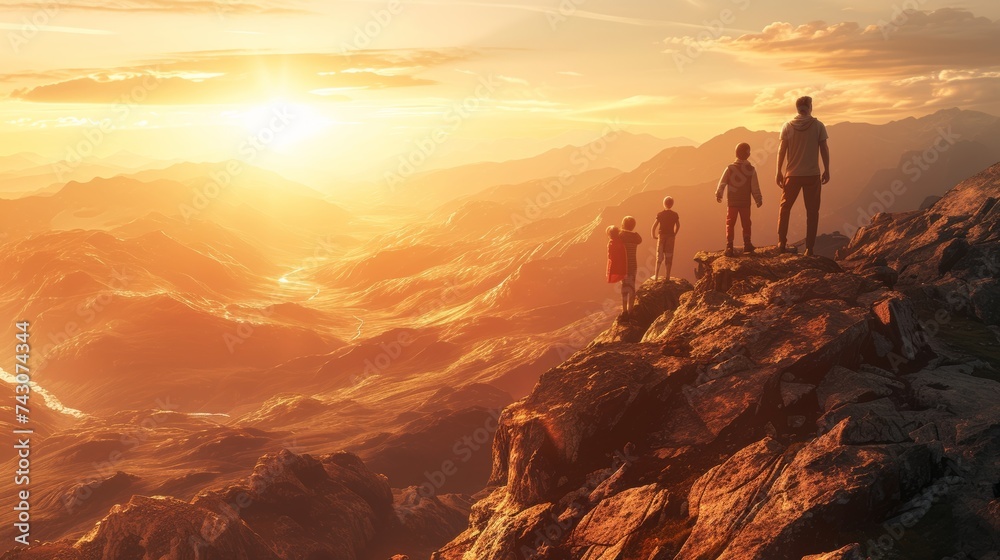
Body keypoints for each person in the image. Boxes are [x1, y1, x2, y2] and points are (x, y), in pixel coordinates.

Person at [776, 95, 830, 256]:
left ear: (797, 108)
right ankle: (809, 248)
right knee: (812, 212)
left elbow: (781, 150)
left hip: (792, 174)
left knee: (785, 208)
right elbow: (824, 149)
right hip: (812, 175)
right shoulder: (818, 126)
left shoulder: (787, 126)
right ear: (810, 107)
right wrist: (827, 169)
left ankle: (781, 243)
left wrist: (778, 171)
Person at [716, 143, 762, 257]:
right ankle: (747, 244)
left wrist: (719, 194)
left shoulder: (730, 168)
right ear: (747, 154)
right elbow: (754, 187)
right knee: (746, 223)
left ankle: (729, 246)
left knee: (730, 223)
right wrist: (758, 199)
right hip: (745, 203)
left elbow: (722, 183)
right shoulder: (751, 170)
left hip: (732, 202)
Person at [651, 196, 680, 280]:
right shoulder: (675, 215)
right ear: (672, 204)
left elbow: (654, 226)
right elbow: (678, 225)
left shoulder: (660, 214)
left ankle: (656, 276)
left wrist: (653, 235)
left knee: (659, 255)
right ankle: (667, 276)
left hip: (661, 236)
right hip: (670, 236)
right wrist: (674, 233)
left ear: (664, 203)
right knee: (669, 255)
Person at [619, 216, 642, 315]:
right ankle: (631, 309)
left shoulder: (621, 235)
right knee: (631, 285)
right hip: (633, 264)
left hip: (623, 265)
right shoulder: (636, 237)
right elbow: (640, 240)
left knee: (624, 286)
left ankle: (624, 310)